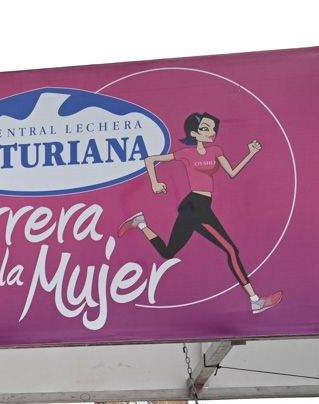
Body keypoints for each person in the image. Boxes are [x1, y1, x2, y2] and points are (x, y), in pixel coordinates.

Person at [117, 111, 282, 316]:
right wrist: (155, 183)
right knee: (231, 250)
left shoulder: (216, 150)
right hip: (195, 206)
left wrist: (251, 153)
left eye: (213, 129)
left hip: (199, 206)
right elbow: (150, 160)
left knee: (167, 253)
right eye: (205, 128)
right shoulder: (186, 154)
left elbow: (232, 172)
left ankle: (141, 223)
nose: (211, 132)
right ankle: (255, 301)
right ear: (194, 133)